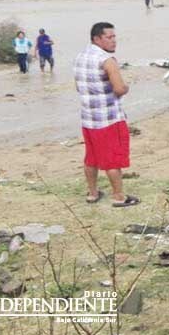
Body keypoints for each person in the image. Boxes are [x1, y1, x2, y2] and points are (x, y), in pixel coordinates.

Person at [73, 22, 140, 208]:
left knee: (91, 157)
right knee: (112, 159)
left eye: (114, 37)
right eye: (109, 37)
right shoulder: (107, 61)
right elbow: (119, 88)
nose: (113, 41)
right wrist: (125, 88)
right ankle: (119, 196)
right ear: (97, 39)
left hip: (88, 118)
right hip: (109, 118)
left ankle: (93, 193)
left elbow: (78, 87)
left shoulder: (79, 57)